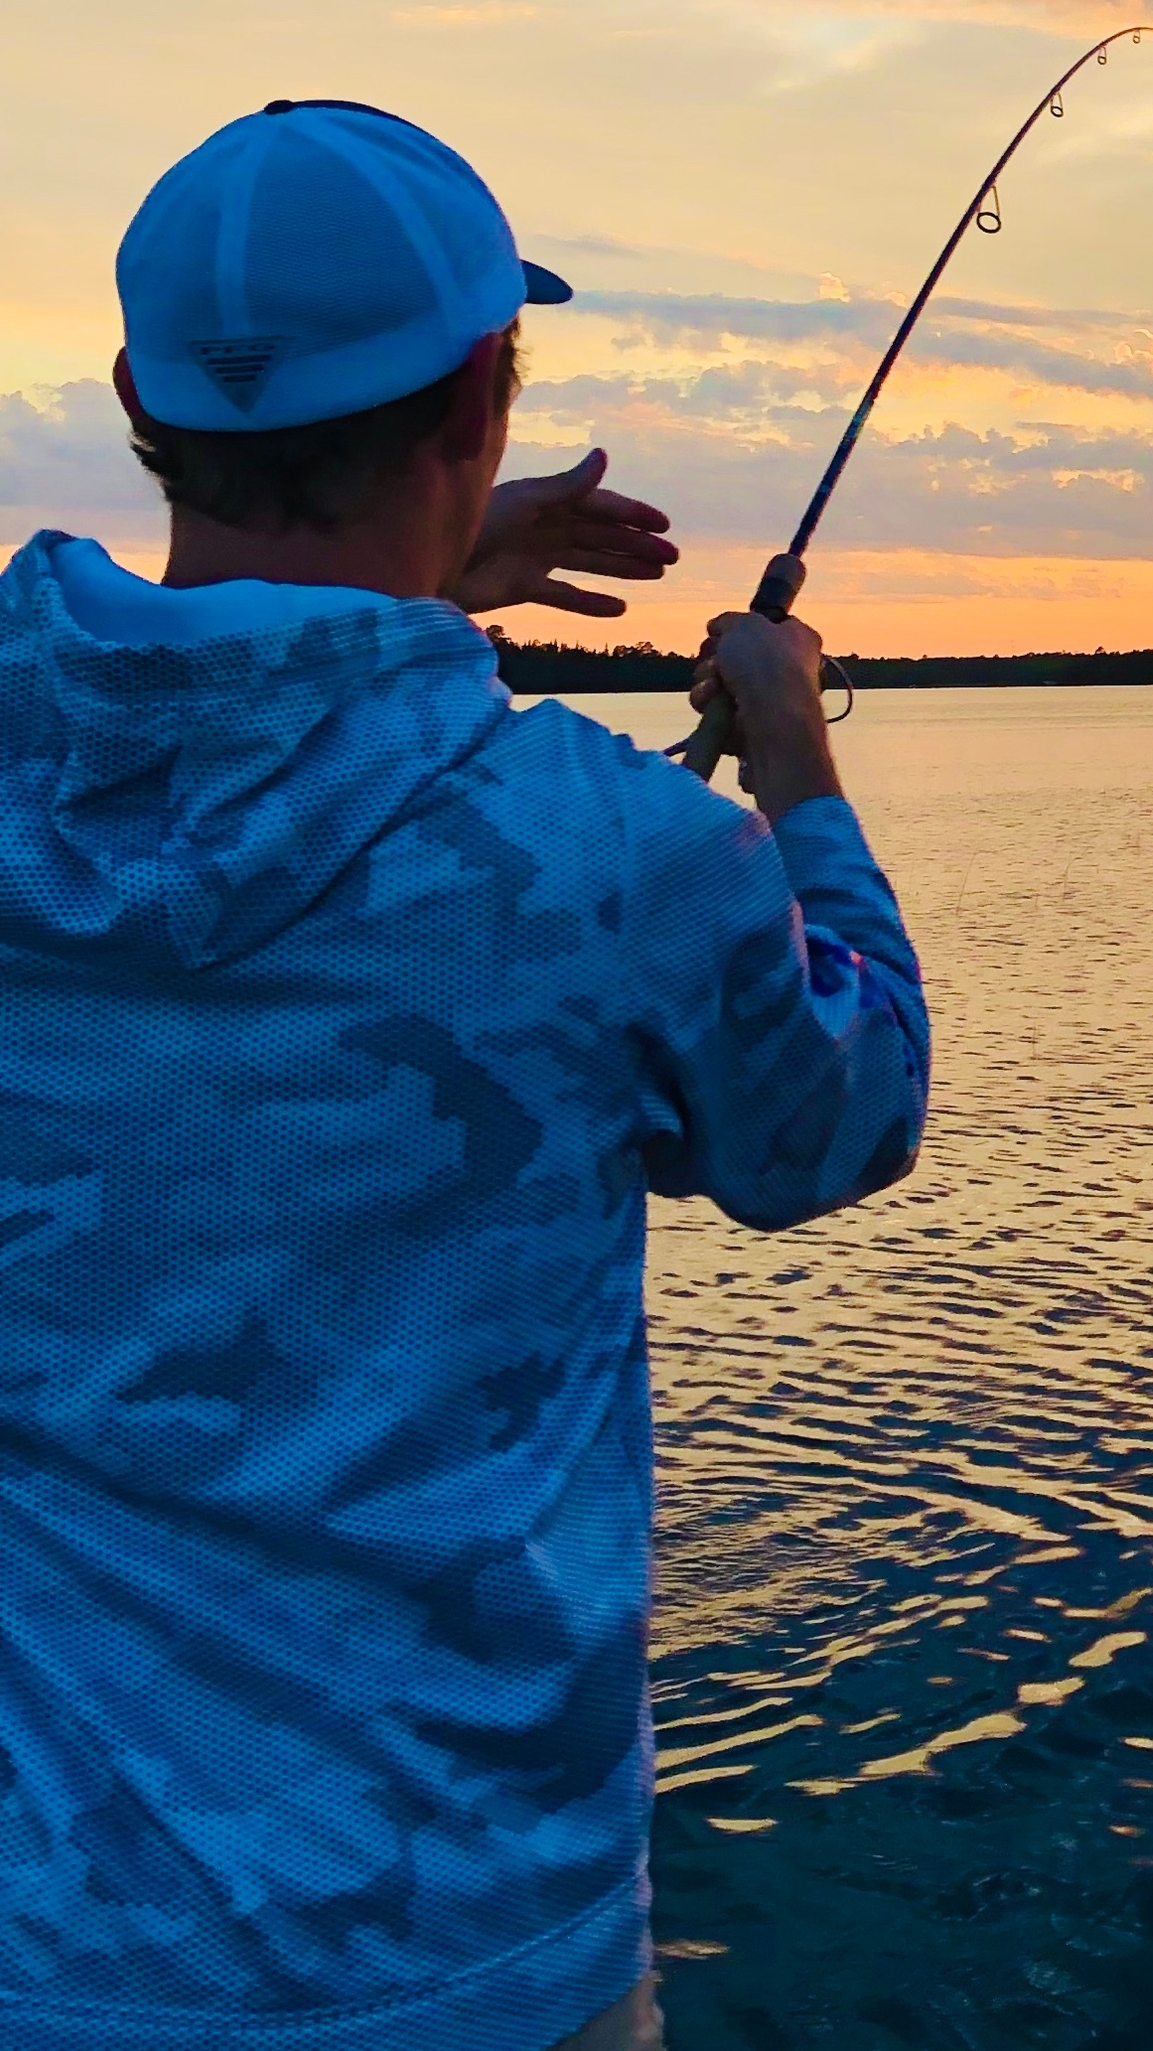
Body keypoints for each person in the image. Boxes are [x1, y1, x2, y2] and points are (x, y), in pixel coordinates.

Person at [0, 100, 928, 2051]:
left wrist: (410, 592)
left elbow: (212, 712)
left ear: (139, 400)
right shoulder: (611, 852)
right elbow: (839, 1115)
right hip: (478, 1967)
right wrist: (793, 761)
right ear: (484, 399)